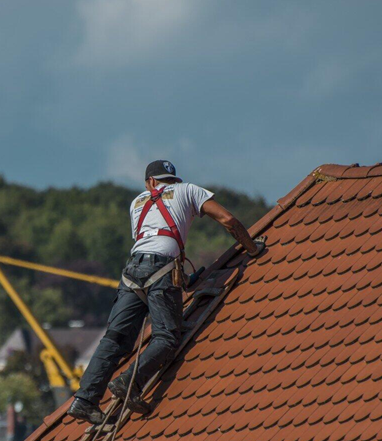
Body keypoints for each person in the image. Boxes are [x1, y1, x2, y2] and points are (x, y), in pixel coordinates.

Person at [66, 159, 265, 425]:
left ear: (150, 182)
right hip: (161, 268)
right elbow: (228, 219)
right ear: (170, 180)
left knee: (115, 339)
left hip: (132, 272)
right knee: (168, 337)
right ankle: (129, 382)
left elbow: (150, 239)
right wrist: (252, 248)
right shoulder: (189, 190)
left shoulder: (136, 203)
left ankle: (84, 400)